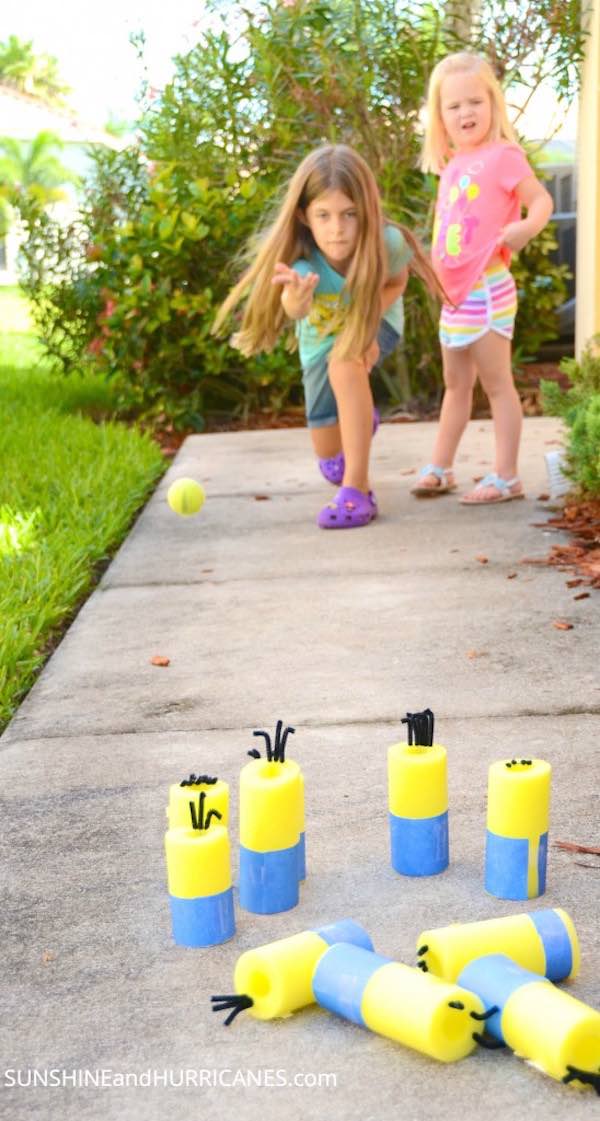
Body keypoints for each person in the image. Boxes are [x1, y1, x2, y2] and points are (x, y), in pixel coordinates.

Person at [213, 144, 440, 528]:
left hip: (375, 323)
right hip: (318, 342)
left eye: (349, 214)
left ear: (365, 211)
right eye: (324, 215)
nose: (337, 228)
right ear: (304, 216)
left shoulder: (388, 244)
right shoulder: (303, 264)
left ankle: (358, 491)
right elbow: (295, 310)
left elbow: (397, 281)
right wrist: (296, 300)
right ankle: (356, 429)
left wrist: (365, 324)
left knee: (345, 363)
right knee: (330, 456)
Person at [412, 52, 553, 504]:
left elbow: (541, 200)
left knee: (496, 383)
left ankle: (507, 475)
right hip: (456, 296)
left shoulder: (503, 155)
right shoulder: (452, 165)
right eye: (453, 106)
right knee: (456, 384)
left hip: (488, 289)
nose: (465, 113)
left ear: (492, 103)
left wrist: (527, 229)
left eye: (475, 101)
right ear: (440, 117)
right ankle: (441, 466)